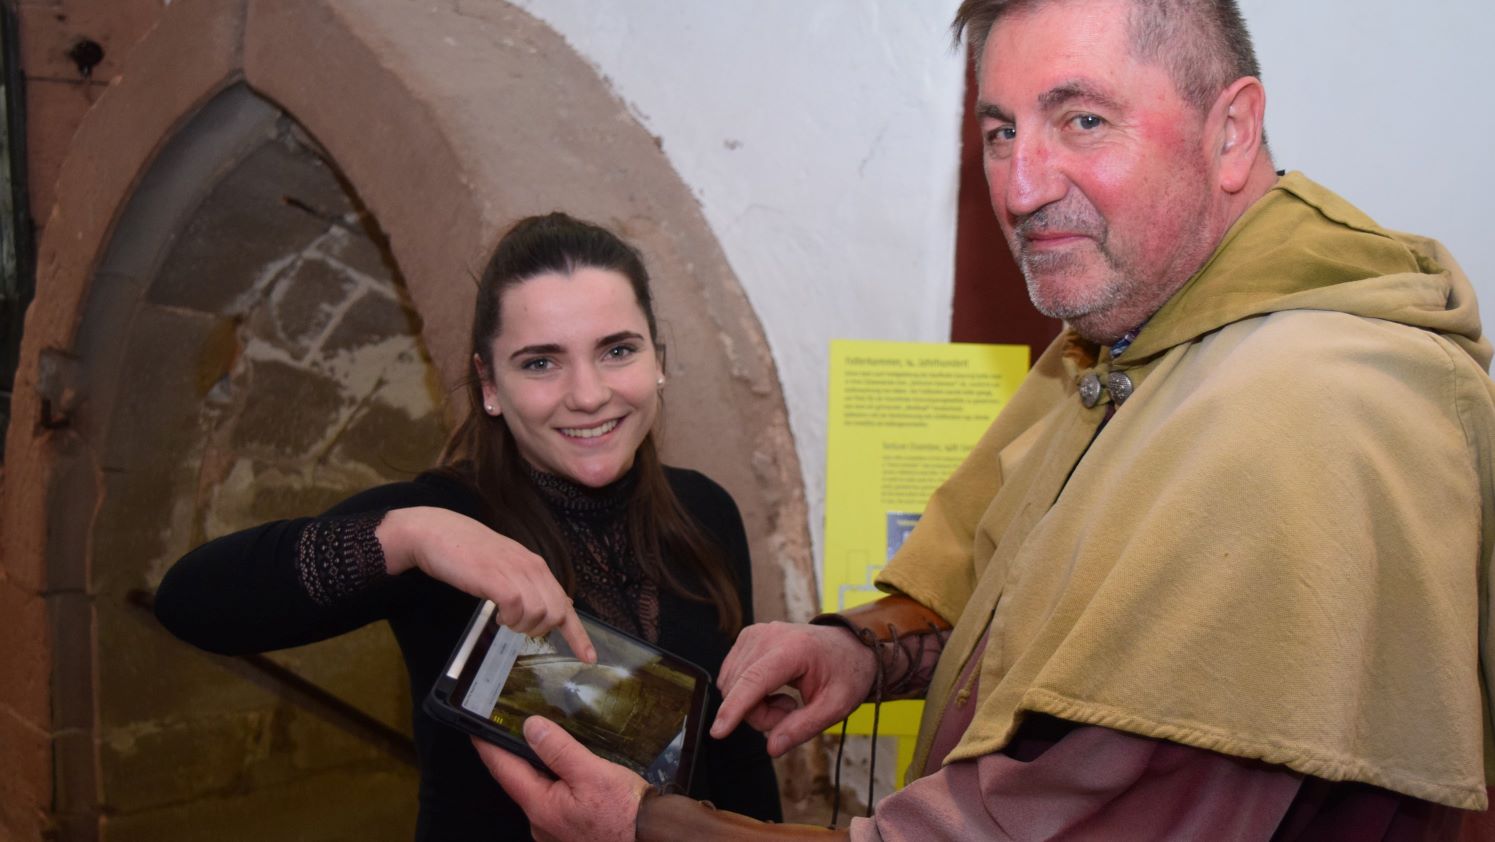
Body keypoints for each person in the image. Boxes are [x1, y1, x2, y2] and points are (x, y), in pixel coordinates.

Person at [472, 0, 1495, 838]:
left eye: (1081, 119)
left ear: (1229, 129)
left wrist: (645, 824)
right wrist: (864, 651)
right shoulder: (1140, 333)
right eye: (1000, 132)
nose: (1022, 186)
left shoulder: (1297, 415)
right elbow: (1030, 601)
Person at [153, 212, 782, 839]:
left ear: (659, 360)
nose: (588, 394)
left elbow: (738, 757)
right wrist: (411, 537)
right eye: (541, 363)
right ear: (489, 383)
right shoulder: (442, 524)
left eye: (617, 350)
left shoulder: (707, 511)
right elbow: (192, 602)